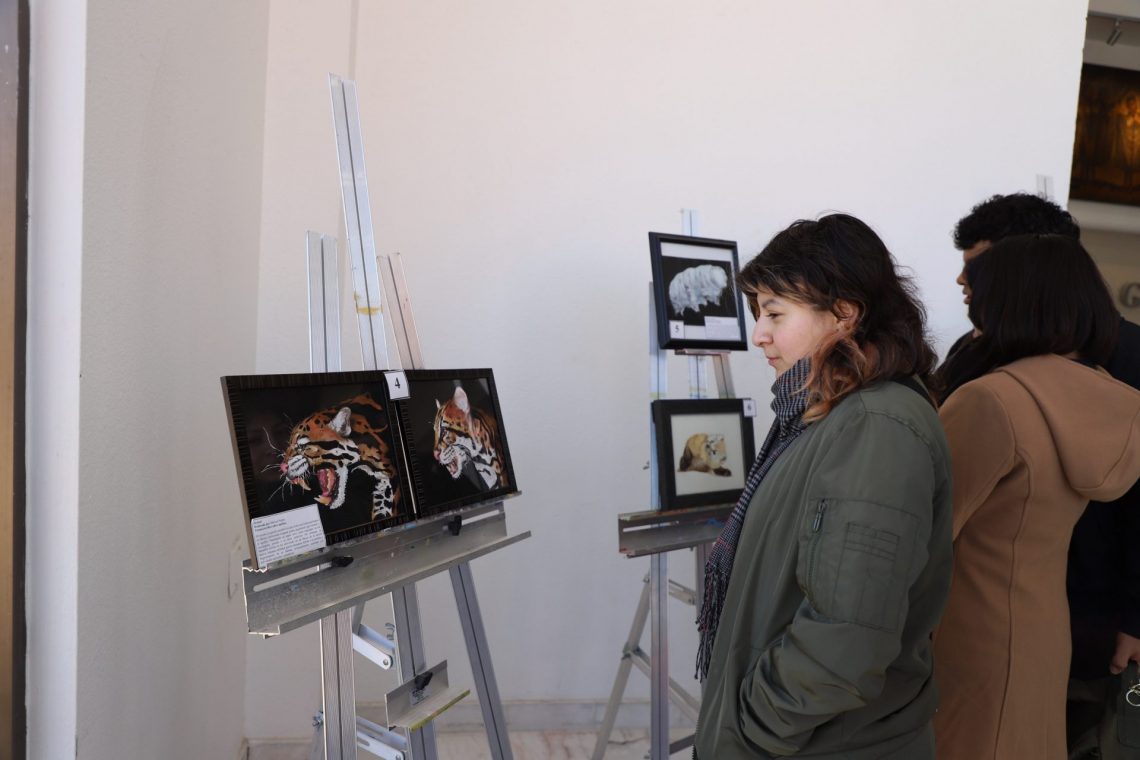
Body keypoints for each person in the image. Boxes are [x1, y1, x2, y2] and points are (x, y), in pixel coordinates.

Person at [693, 214, 953, 760]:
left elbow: (847, 637)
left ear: (844, 314)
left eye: (775, 313)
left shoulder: (876, 427)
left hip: (820, 744)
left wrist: (751, 730)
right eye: (758, 313)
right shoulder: (823, 414)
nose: (759, 334)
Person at [937, 193, 1140, 757]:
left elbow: (931, 517)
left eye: (979, 267)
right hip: (1032, 609)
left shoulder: (1001, 392)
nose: (964, 281)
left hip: (1060, 608)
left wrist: (1135, 616)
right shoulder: (986, 356)